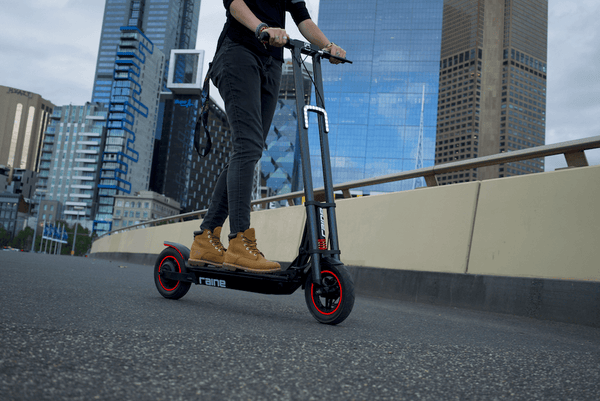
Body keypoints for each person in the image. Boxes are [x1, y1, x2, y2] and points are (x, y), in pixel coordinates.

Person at [189, 0, 346, 273]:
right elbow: (235, 4)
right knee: (247, 145)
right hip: (239, 52)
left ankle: (206, 238)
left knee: (249, 149)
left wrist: (328, 45)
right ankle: (239, 241)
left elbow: (302, 18)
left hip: (271, 62)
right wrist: (262, 27)